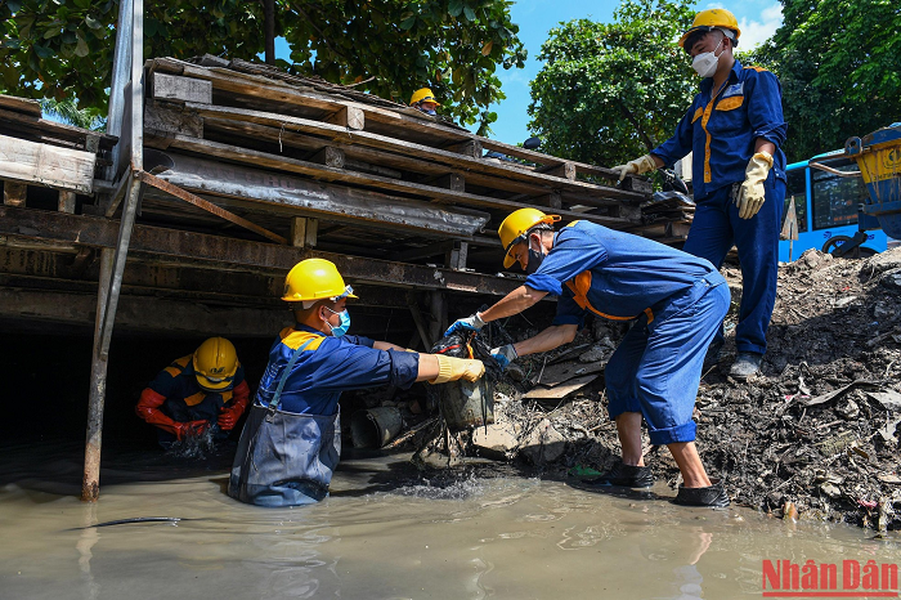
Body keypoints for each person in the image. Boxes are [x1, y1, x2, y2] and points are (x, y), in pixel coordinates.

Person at [446, 208, 731, 507]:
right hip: (661, 309)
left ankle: (701, 487)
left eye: (519, 257)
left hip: (696, 295)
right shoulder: (573, 277)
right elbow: (564, 331)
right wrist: (512, 351)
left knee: (655, 381)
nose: (523, 267)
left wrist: (479, 319)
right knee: (620, 374)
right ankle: (633, 469)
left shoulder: (577, 239)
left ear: (533, 240)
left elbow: (530, 295)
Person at [613, 8, 787, 379]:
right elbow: (676, 144)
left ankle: (751, 350)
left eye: (700, 46)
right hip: (710, 201)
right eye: (691, 51)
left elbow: (770, 129)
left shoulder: (756, 80)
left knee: (758, 267)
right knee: (692, 272)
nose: (695, 55)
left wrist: (757, 175)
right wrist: (640, 164)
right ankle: (707, 344)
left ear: (725, 41)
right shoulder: (701, 99)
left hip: (751, 189)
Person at [228, 258, 485, 507]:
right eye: (341, 307)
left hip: (253, 484)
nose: (344, 314)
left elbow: (369, 346)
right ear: (323, 311)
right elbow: (391, 365)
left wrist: (428, 358)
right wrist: (459, 367)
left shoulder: (291, 340)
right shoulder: (323, 356)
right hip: (284, 498)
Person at [135, 337, 250, 448]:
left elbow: (243, 395)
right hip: (176, 429)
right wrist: (178, 428)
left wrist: (236, 412)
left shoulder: (234, 369)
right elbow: (143, 407)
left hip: (216, 434)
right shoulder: (171, 377)